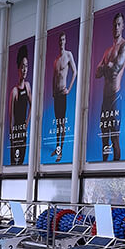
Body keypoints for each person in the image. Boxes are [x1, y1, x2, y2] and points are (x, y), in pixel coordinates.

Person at [95, 12, 125, 161]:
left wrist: (106, 66)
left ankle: (116, 173)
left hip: (115, 97)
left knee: (115, 138)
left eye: (119, 24)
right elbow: (97, 73)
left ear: (123, 26)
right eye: (114, 24)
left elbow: (116, 68)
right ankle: (104, 169)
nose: (116, 27)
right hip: (105, 100)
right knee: (104, 137)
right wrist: (107, 66)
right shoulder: (107, 51)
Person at [50, 32, 76, 160]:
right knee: (57, 123)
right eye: (60, 40)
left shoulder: (68, 55)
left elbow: (75, 72)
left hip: (63, 93)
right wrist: (52, 92)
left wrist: (69, 89)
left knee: (62, 123)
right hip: (56, 95)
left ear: (65, 41)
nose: (61, 42)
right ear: (58, 42)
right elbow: (54, 77)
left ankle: (61, 149)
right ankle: (57, 147)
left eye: (63, 39)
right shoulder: (56, 60)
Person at [8, 47, 32, 166]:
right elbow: (11, 116)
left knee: (22, 157)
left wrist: (27, 123)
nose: (24, 69)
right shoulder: (14, 91)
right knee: (14, 160)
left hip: (23, 129)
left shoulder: (27, 86)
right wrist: (12, 135)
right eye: (22, 66)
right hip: (16, 131)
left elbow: (32, 105)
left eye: (26, 66)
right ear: (18, 68)